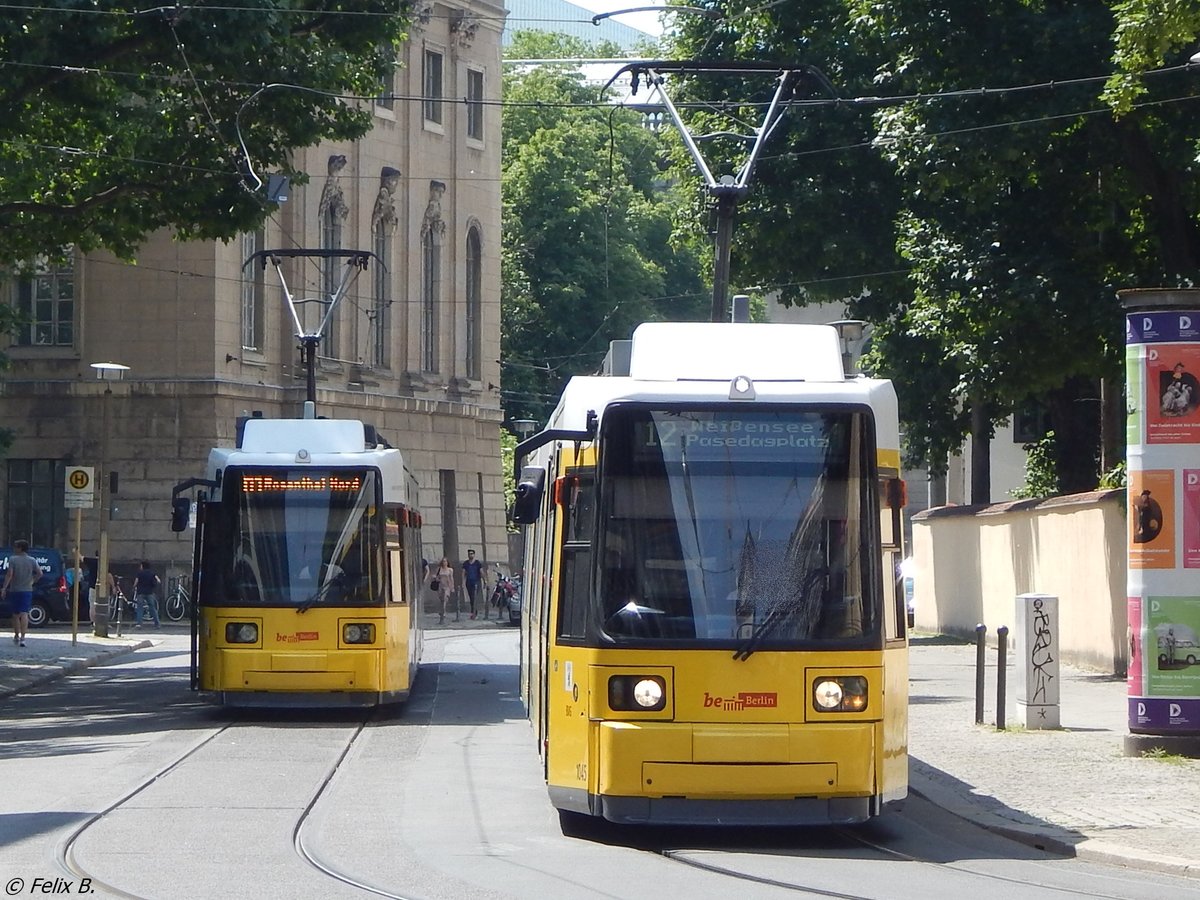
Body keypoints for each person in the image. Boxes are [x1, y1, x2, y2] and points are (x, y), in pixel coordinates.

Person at [3, 540, 44, 647]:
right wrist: (32, 581)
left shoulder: (13, 559)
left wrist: (4, 588)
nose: (14, 548)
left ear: (20, 548)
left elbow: (9, 574)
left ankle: (16, 635)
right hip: (27, 589)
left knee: (15, 615)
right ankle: (23, 638)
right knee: (24, 613)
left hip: (15, 589)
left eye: (15, 547)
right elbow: (40, 573)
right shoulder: (32, 560)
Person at [131, 560, 161, 628]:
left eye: (140, 566)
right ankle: (157, 623)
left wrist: (133, 587)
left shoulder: (140, 573)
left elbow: (136, 582)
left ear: (142, 566)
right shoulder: (152, 573)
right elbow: (158, 581)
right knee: (152, 608)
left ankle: (139, 623)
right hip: (150, 592)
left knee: (140, 608)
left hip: (140, 592)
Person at [462, 549, 485, 620]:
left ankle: (474, 613)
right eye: (469, 554)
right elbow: (463, 573)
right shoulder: (465, 563)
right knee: (471, 598)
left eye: (472, 554)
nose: (470, 555)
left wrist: (485, 581)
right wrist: (462, 582)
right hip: (468, 582)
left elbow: (481, 572)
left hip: (476, 582)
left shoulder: (477, 563)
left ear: (474, 555)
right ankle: (473, 613)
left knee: (474, 598)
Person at [434, 556, 456, 624]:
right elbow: (436, 577)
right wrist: (436, 578)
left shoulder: (450, 570)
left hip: (447, 586)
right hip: (440, 586)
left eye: (445, 561)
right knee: (441, 600)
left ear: (447, 562)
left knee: (445, 599)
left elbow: (451, 578)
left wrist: (452, 587)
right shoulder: (439, 569)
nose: (444, 563)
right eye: (443, 561)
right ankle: (441, 611)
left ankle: (443, 613)